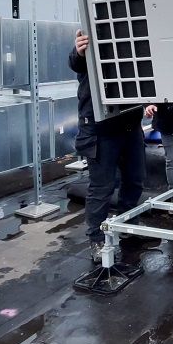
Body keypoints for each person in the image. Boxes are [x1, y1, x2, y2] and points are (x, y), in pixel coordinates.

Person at [70, 29, 147, 263]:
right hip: (101, 130)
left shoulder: (131, 44)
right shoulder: (91, 41)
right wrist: (79, 51)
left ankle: (127, 224)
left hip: (130, 125)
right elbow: (76, 61)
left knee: (135, 180)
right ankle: (96, 239)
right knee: (102, 188)